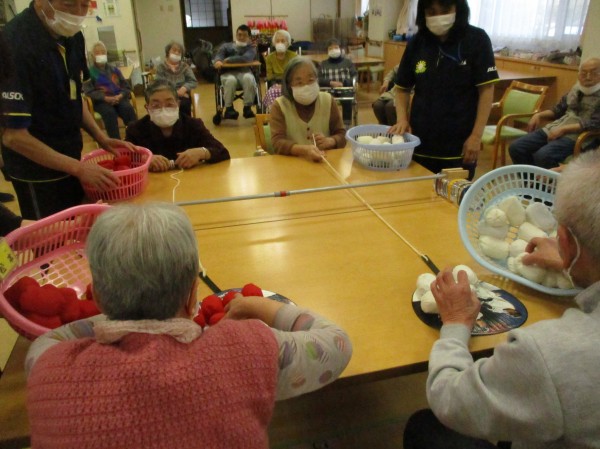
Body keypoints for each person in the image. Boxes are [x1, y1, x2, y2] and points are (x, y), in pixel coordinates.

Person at [24, 202, 353, 448]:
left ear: (96, 295)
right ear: (193, 294)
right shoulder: (245, 350)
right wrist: (260, 306)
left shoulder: (47, 366)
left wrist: (120, 309)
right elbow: (337, 344)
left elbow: (53, 338)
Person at [403, 149, 600, 449]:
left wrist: (455, 323)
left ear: (564, 242)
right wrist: (573, 264)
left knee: (424, 427)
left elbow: (448, 398)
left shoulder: (549, 354)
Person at [0, 0, 135, 220]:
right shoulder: (13, 44)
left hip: (70, 156)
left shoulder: (73, 36)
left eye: (84, 5)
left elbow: (74, 94)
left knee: (78, 225)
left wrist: (101, 137)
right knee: (52, 233)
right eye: (70, 5)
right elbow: (14, 137)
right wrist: (79, 169)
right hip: (36, 170)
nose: (78, 13)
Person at [389, 0, 498, 180]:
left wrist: (476, 136)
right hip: (420, 140)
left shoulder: (476, 40)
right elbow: (402, 88)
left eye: (445, 10)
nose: (438, 17)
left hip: (459, 143)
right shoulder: (417, 42)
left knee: (454, 195)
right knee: (416, 192)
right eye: (431, 12)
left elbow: (486, 90)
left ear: (458, 8)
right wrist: (402, 119)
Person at [509, 57, 600, 169]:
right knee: (517, 147)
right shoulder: (576, 90)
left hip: (581, 136)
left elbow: (595, 124)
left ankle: (552, 180)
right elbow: (558, 110)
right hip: (556, 128)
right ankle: (531, 179)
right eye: (584, 73)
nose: (588, 77)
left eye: (594, 73)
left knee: (543, 156)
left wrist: (564, 129)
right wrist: (539, 115)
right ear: (578, 75)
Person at [126, 80, 230, 172]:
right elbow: (124, 157)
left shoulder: (192, 125)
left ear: (178, 104)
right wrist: (144, 159)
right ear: (147, 108)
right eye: (156, 106)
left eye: (169, 104)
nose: (163, 109)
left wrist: (201, 152)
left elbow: (222, 152)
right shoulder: (135, 129)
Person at [271, 57, 346, 162]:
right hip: (291, 166)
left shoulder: (328, 100)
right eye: (299, 83)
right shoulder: (280, 105)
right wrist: (303, 150)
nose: (306, 86)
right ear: (289, 85)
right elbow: (277, 142)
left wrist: (330, 141)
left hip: (324, 164)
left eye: (311, 80)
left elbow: (342, 135)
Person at [84, 41, 137, 139]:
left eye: (103, 52)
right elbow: (88, 91)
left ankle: (135, 137)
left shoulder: (115, 70)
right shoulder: (89, 72)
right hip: (102, 102)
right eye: (97, 53)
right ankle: (116, 142)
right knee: (110, 113)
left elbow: (126, 87)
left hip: (118, 98)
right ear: (92, 56)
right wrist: (105, 98)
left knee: (128, 109)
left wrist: (120, 96)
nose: (101, 54)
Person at [213, 24, 258, 120]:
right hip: (227, 73)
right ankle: (229, 109)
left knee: (248, 78)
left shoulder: (251, 48)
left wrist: (229, 59)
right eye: (239, 34)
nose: (241, 37)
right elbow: (219, 56)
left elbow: (246, 58)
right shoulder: (226, 46)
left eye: (244, 35)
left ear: (249, 37)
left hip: (245, 72)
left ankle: (247, 108)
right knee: (230, 80)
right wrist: (218, 61)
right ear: (236, 35)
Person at [317, 38, 358, 128]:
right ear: (327, 51)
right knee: (325, 100)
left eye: (336, 47)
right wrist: (330, 82)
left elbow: (355, 76)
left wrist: (345, 83)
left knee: (347, 99)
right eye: (330, 48)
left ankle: (346, 124)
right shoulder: (323, 64)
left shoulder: (348, 62)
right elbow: (318, 79)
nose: (333, 50)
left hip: (345, 88)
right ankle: (328, 123)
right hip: (328, 89)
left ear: (340, 49)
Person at [154, 41, 198, 117]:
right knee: (168, 105)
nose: (177, 53)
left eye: (179, 52)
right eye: (174, 50)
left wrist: (184, 88)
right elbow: (159, 84)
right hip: (166, 95)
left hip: (182, 94)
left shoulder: (185, 67)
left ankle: (185, 123)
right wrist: (174, 93)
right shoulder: (161, 67)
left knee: (184, 104)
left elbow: (193, 81)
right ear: (168, 52)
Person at [263, 29, 297, 111]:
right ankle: (275, 112)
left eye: (283, 41)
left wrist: (285, 84)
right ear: (274, 43)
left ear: (288, 43)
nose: (280, 43)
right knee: (272, 92)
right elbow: (269, 76)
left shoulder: (294, 56)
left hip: (290, 83)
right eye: (277, 41)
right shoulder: (270, 58)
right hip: (275, 83)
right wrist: (277, 84)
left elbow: (295, 73)